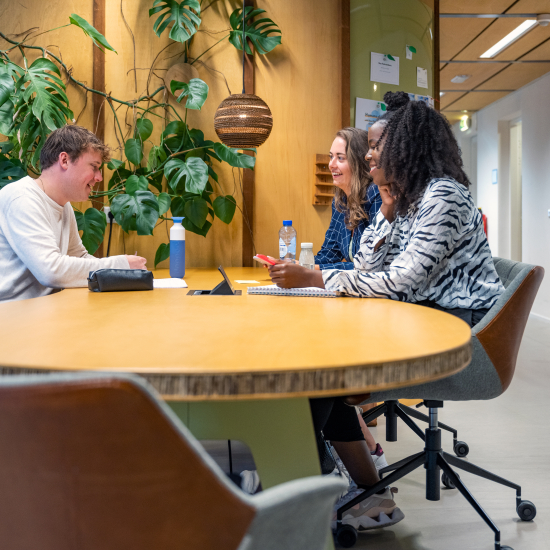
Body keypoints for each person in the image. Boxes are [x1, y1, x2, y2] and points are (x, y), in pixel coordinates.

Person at [268, 91, 505, 531]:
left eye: (377, 146)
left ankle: (307, 488)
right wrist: (389, 213)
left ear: (406, 148)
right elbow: (366, 270)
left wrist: (318, 279)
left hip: (459, 338)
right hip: (424, 321)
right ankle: (329, 484)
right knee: (317, 370)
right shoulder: (407, 201)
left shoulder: (444, 198)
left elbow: (399, 283)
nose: (370, 154)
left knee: (318, 372)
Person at [0, 125, 147, 303]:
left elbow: (79, 257)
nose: (99, 177)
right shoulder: (21, 198)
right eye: (94, 167)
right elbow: (51, 271)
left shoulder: (63, 205)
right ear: (64, 160)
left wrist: (120, 274)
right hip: (12, 318)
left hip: (46, 311)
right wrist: (120, 265)